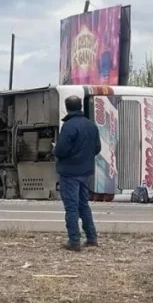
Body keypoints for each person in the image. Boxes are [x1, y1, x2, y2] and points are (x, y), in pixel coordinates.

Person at [52, 96, 101, 252]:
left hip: (69, 172)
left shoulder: (69, 126)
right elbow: (97, 148)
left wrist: (54, 150)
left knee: (71, 207)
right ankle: (91, 237)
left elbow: (61, 150)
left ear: (67, 108)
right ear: (80, 106)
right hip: (85, 171)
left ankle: (74, 240)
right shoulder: (91, 125)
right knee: (83, 205)